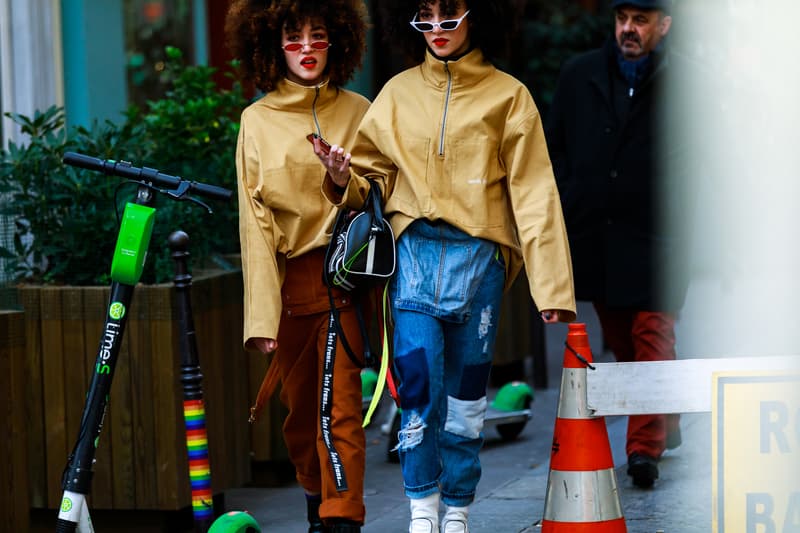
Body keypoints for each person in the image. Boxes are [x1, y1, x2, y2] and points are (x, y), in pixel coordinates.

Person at [313, 1, 576, 531]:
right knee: (418, 386)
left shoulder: (510, 97)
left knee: (465, 393)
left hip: (480, 261)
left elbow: (535, 195)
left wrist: (552, 290)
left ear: (478, 17)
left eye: (449, 17)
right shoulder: (396, 94)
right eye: (424, 18)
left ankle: (457, 506)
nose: (436, 29)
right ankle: (421, 507)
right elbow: (371, 182)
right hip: (411, 257)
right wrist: (341, 179)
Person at [224, 1, 370, 531]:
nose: (306, 46)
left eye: (318, 34)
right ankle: (317, 505)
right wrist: (262, 319)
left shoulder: (360, 111)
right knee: (302, 417)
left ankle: (341, 517)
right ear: (269, 43)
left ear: (340, 40)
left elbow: (381, 195)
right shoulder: (256, 121)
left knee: (342, 412)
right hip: (292, 289)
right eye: (292, 35)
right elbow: (254, 225)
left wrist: (341, 181)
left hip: (347, 283)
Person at [546, 0, 690, 489]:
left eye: (641, 20)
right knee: (625, 344)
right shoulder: (577, 74)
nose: (629, 29)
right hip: (599, 237)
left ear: (663, 26)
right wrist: (571, 195)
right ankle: (663, 417)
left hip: (660, 239)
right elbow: (556, 144)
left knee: (652, 336)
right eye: (623, 18)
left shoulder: (687, 83)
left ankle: (642, 450)